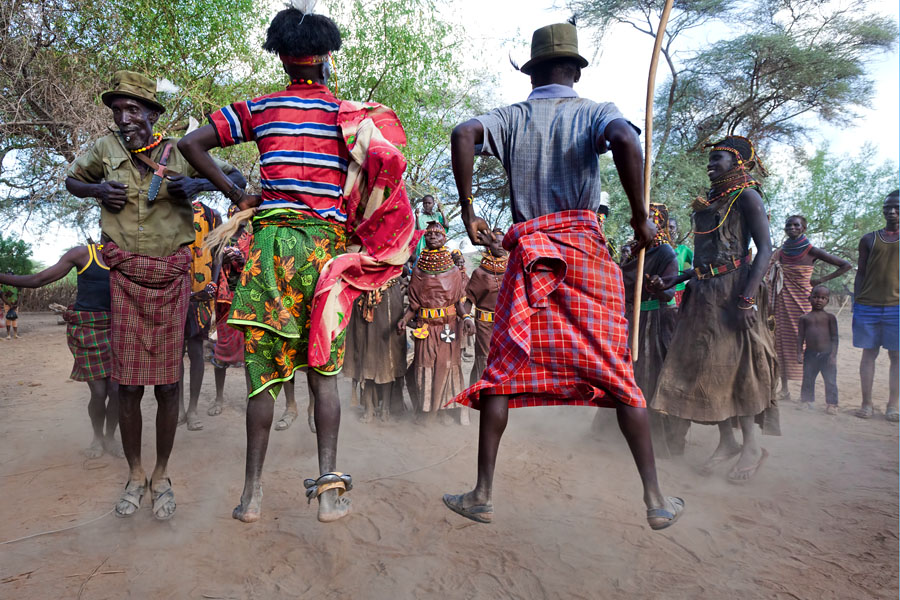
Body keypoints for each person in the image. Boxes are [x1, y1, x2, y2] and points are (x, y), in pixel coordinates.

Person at [179, 4, 416, 523]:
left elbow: (189, 144)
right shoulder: (350, 116)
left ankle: (251, 497)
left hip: (267, 252)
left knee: (262, 378)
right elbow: (386, 172)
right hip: (323, 256)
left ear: (284, 60)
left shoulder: (260, 109)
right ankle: (329, 496)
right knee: (323, 377)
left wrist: (238, 192)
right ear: (325, 59)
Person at [442, 20, 683, 529]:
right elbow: (623, 139)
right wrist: (640, 216)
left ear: (532, 74)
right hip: (586, 257)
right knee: (618, 374)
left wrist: (467, 212)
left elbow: (463, 133)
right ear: (575, 69)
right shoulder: (597, 112)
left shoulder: (510, 117)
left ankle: (483, 493)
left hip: (531, 257)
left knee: (502, 370)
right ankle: (656, 500)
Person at [64, 70, 245, 520]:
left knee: (167, 385)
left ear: (151, 113)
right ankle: (134, 473)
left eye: (132, 109)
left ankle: (161, 475)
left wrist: (199, 184)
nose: (123, 118)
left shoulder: (179, 150)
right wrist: (95, 189)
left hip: (171, 281)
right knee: (127, 387)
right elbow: (73, 182)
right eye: (117, 110)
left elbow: (236, 175)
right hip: (123, 278)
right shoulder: (104, 150)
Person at [651, 135, 778, 485]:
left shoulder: (747, 196)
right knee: (710, 369)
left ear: (738, 162)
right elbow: (707, 262)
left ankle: (752, 446)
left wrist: (747, 299)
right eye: (711, 159)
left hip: (734, 294)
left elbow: (765, 250)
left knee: (739, 368)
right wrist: (674, 280)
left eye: (718, 158)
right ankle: (728, 441)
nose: (711, 164)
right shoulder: (712, 202)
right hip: (703, 294)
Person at [0, 245, 122, 457]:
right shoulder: (83, 254)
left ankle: (110, 437)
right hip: (86, 331)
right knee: (99, 392)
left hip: (119, 329)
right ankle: (97, 437)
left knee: (117, 391)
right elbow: (39, 280)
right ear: (103, 222)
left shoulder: (128, 255)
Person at [208, 218, 305, 432]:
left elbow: (268, 264)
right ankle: (219, 398)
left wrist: (244, 260)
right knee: (223, 351)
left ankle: (286, 404)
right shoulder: (221, 235)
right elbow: (213, 266)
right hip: (227, 300)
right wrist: (222, 257)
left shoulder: (258, 233)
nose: (236, 211)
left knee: (269, 351)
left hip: (257, 299)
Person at [617, 204, 689, 457]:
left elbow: (669, 291)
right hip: (629, 321)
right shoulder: (633, 252)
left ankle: (659, 439)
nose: (636, 227)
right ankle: (617, 433)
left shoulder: (666, 253)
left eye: (643, 222)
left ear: (655, 225)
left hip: (653, 322)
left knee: (650, 377)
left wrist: (659, 285)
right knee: (623, 376)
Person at [768, 215, 851, 401]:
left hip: (803, 303)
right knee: (781, 343)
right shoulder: (780, 253)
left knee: (808, 343)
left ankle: (806, 394)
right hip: (782, 302)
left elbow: (846, 265)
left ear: (803, 228)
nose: (792, 227)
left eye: (796, 225)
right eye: (788, 225)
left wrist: (820, 280)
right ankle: (785, 389)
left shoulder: (811, 250)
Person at [398, 221, 472, 426]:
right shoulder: (419, 270)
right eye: (429, 234)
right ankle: (426, 411)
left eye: (437, 234)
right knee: (424, 367)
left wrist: (466, 318)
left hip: (448, 328)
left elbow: (458, 302)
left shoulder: (454, 271)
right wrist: (404, 320)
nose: (432, 237)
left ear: (444, 239)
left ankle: (443, 410)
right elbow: (413, 305)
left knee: (446, 367)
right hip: (425, 327)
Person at [852, 191, 899, 421]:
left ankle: (892, 406)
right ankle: (867, 404)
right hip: (867, 306)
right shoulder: (868, 239)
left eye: (896, 207)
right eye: (887, 207)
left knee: (897, 357)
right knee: (868, 354)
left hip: (897, 308)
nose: (891, 211)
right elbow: (860, 273)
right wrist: (857, 301)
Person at [180, 199, 223, 431]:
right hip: (174, 290)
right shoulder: (168, 209)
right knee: (175, 352)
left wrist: (214, 282)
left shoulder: (211, 214)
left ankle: (193, 408)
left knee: (196, 348)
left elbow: (218, 254)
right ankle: (178, 408)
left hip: (203, 291)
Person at [343, 271, 407, 424]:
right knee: (366, 353)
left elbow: (398, 265)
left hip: (389, 298)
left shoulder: (394, 262)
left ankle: (385, 406)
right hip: (363, 294)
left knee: (388, 355)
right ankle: (369, 407)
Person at [465, 229, 507, 384]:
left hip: (506, 324)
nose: (501, 245)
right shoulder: (479, 273)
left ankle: (502, 398)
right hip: (484, 325)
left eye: (503, 242)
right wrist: (466, 319)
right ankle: (480, 398)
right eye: (496, 242)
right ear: (488, 244)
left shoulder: (512, 269)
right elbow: (469, 299)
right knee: (485, 359)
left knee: (504, 359)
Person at [797, 285, 839, 414]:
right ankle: (806, 401)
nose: (818, 300)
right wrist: (799, 352)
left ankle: (832, 404)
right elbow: (800, 337)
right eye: (815, 297)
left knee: (830, 380)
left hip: (827, 355)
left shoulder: (830, 318)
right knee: (808, 378)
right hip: (810, 354)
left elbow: (834, 338)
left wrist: (833, 355)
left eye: (823, 298)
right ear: (809, 298)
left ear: (827, 300)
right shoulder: (804, 318)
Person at [668, 217, 693, 307]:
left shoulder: (683, 250)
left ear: (676, 230)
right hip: (665, 292)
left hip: (681, 293)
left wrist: (685, 275)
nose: (669, 230)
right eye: (666, 227)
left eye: (672, 227)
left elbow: (697, 264)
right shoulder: (659, 249)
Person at [1, 273, 20, 339]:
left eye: (11, 276)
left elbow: (19, 295)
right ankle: (8, 335)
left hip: (15, 305)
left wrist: (17, 304)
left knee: (14, 318)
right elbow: (2, 296)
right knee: (8, 318)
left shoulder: (17, 285)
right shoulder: (4, 285)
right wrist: (9, 304)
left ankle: (15, 334)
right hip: (7, 304)